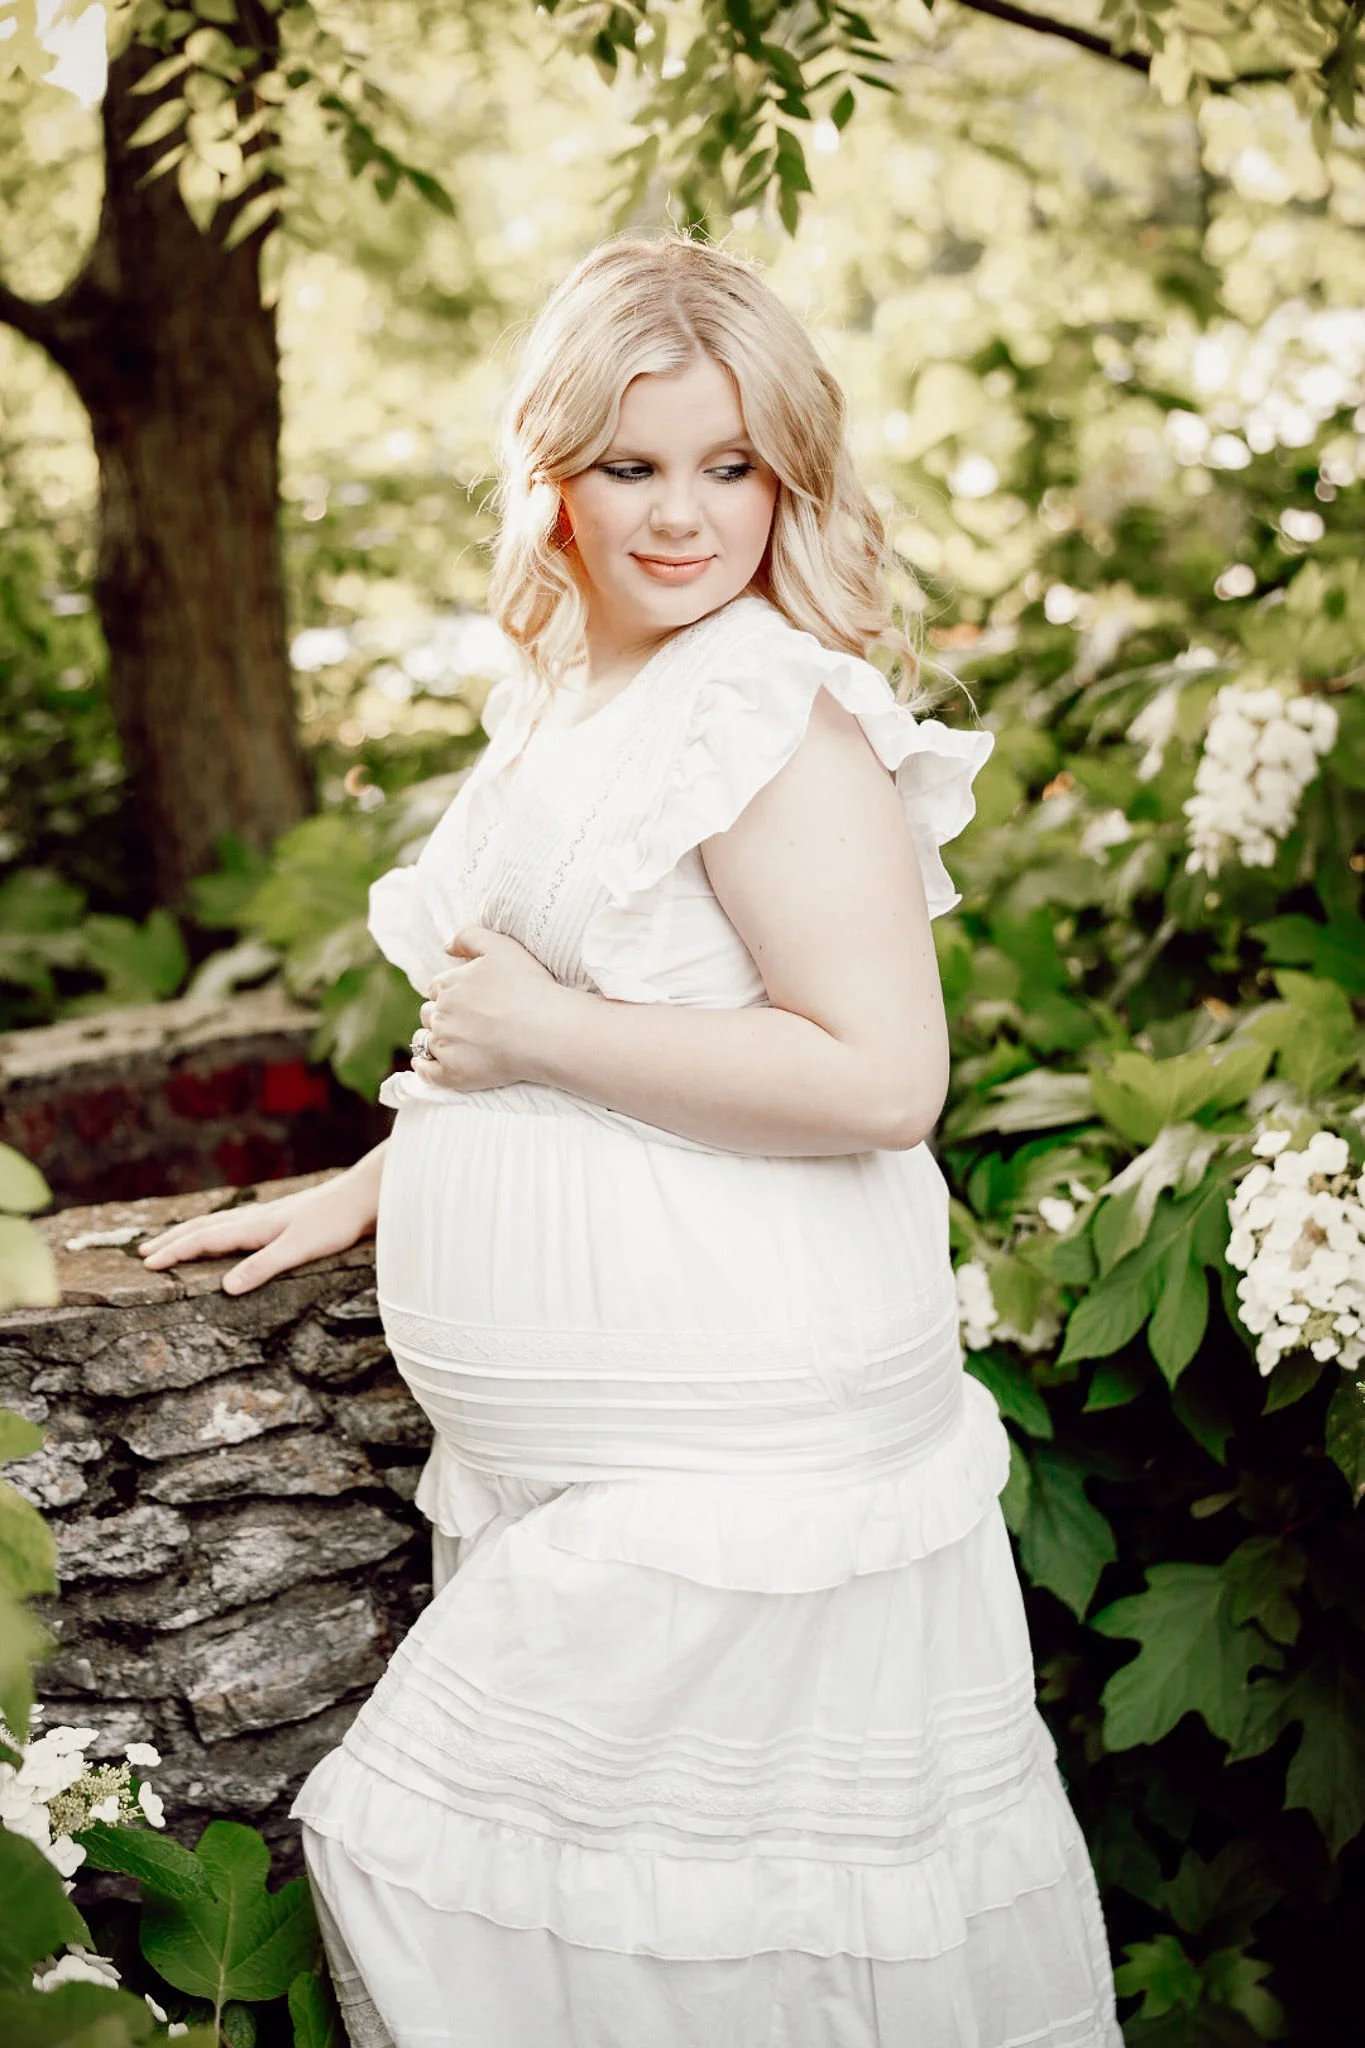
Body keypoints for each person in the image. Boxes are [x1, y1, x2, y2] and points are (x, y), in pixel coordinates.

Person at [138, 233, 1123, 2048]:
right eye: (633, 464)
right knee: (666, 1944)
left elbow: (882, 1079)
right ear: (553, 477)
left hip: (750, 1463)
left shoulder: (768, 715)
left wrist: (542, 1036)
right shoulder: (577, 699)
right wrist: (375, 1184)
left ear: (789, 478)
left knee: (542, 1894)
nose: (684, 516)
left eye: (731, 466)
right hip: (625, 1458)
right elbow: (563, 1035)